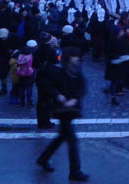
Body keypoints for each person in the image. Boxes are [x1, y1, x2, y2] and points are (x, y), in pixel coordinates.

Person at [36, 47, 89, 182]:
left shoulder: (77, 71)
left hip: (70, 110)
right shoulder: (57, 72)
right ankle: (75, 172)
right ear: (67, 60)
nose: (76, 62)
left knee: (61, 137)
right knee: (72, 141)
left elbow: (82, 86)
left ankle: (43, 159)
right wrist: (57, 95)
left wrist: (75, 99)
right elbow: (44, 84)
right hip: (62, 111)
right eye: (73, 59)